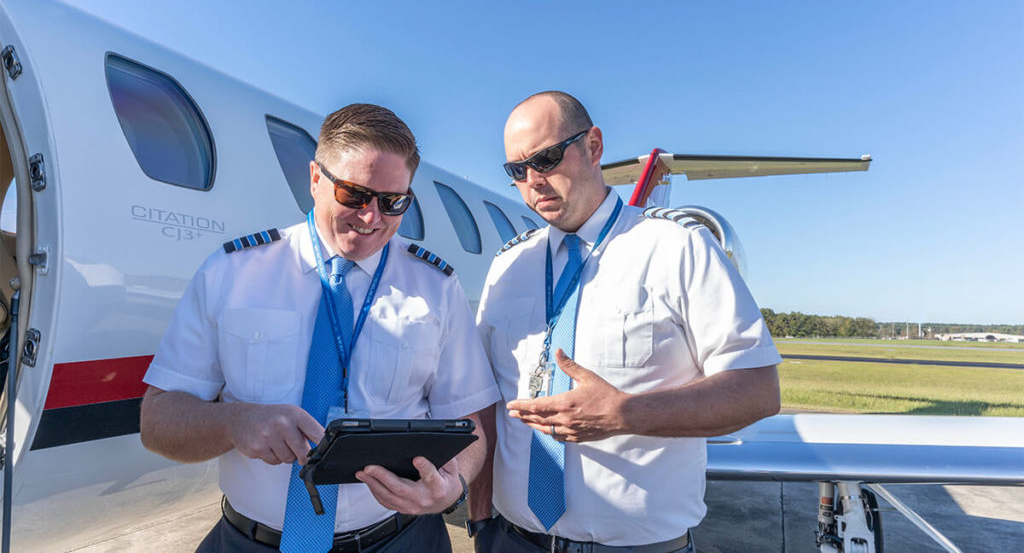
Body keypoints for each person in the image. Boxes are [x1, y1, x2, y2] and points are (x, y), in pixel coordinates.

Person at [140, 103, 499, 552]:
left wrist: (454, 484)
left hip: (401, 540)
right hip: (253, 542)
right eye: (354, 194)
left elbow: (471, 420)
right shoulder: (231, 274)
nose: (371, 218)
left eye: (393, 203)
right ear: (315, 178)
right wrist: (232, 422)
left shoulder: (436, 287)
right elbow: (157, 421)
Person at [468, 91, 782, 552]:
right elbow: (488, 402)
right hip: (514, 541)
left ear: (593, 146)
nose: (534, 180)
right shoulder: (508, 266)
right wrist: (480, 519)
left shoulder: (677, 248)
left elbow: (758, 390)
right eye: (518, 170)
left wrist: (624, 413)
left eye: (547, 158)